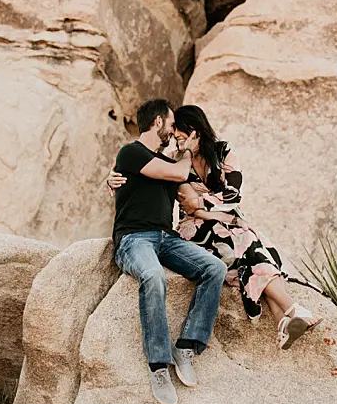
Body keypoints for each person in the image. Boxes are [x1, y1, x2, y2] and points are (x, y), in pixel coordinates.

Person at [108, 104, 322, 351]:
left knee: (254, 250)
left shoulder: (224, 153)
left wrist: (206, 203)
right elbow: (191, 207)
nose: (176, 135)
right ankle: (292, 310)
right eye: (173, 128)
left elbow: (234, 195)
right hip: (199, 229)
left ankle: (284, 318)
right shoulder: (179, 162)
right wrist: (216, 209)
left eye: (181, 130)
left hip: (230, 224)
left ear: (196, 131)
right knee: (247, 244)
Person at [111, 97, 230, 404]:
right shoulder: (131, 152)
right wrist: (187, 153)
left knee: (214, 269)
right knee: (152, 276)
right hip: (134, 239)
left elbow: (190, 192)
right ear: (158, 123)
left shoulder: (164, 162)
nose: (176, 131)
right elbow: (178, 174)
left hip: (166, 238)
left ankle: (187, 346)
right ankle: (158, 366)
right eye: (173, 124)